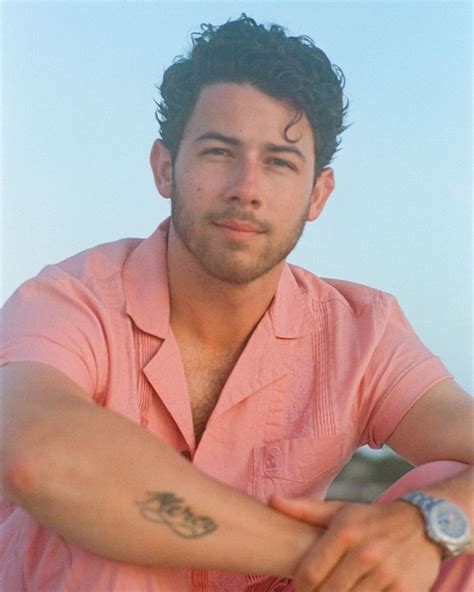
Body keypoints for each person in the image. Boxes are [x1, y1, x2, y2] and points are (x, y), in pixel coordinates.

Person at [1, 14, 472, 592]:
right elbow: (40, 454)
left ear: (317, 194)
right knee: (94, 528)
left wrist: (431, 523)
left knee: (454, 515)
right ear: (165, 167)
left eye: (278, 161)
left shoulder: (361, 331)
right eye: (220, 152)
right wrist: (335, 557)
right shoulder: (73, 299)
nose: (246, 188)